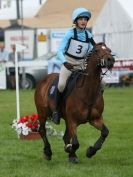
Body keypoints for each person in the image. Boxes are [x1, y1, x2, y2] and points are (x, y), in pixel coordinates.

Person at [52, 7, 96, 124]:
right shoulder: (69, 34)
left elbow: (94, 50)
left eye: (85, 19)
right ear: (75, 21)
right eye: (81, 19)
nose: (83, 21)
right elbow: (59, 51)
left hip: (82, 64)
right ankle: (56, 111)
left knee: (100, 83)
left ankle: (93, 107)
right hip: (69, 63)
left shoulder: (89, 35)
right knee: (61, 85)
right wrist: (65, 63)